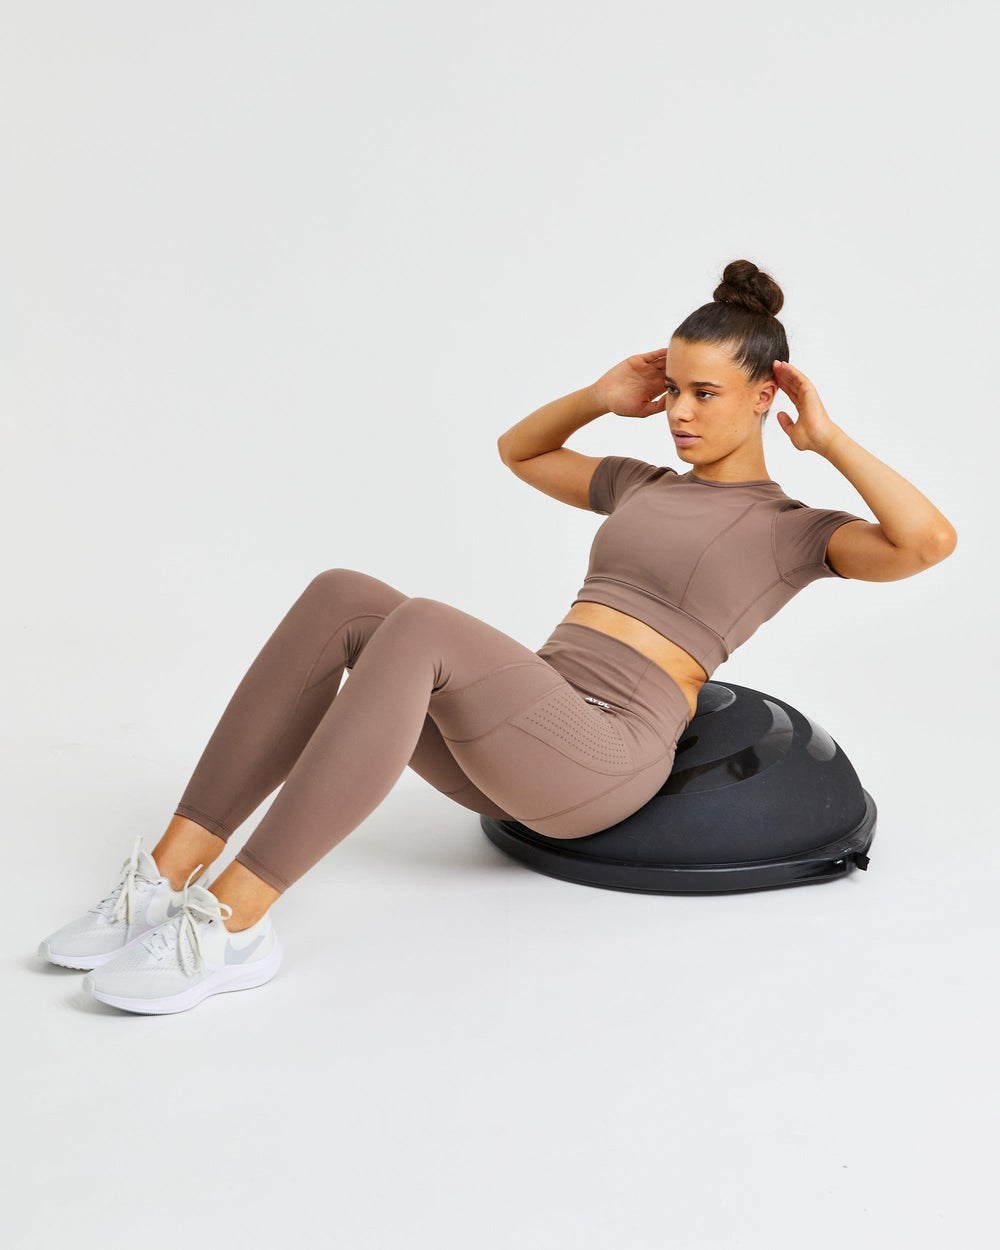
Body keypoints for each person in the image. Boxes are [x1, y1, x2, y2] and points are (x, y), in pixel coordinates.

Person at [38, 258, 958, 1014]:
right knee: (343, 596)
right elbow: (520, 452)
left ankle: (235, 924)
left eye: (705, 393)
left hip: (605, 755)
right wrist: (600, 395)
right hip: (527, 728)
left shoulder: (791, 529)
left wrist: (828, 439)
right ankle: (164, 879)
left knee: (425, 625)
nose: (679, 412)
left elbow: (928, 543)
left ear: (766, 396)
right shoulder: (643, 484)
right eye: (674, 389)